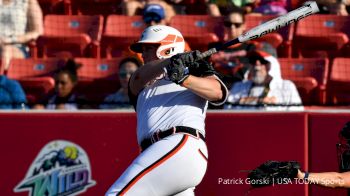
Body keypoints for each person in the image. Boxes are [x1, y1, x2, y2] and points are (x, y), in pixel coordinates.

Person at [105, 25, 228, 195]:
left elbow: (217, 93)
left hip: (180, 144)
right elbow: (139, 77)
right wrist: (171, 62)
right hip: (158, 154)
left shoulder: (194, 71)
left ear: (167, 47)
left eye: (149, 48)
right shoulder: (142, 78)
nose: (143, 54)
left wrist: (184, 78)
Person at [210, 8, 277, 89]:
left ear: (244, 26)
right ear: (224, 25)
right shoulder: (213, 47)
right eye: (228, 24)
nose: (232, 27)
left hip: (240, 91)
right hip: (215, 89)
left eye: (237, 24)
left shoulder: (251, 48)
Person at [224, 50, 302, 111]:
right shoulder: (238, 87)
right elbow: (227, 114)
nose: (256, 65)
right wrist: (258, 100)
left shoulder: (286, 87)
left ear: (272, 65)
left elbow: (297, 116)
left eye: (262, 61)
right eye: (253, 60)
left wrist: (244, 101)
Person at [0, 0, 44, 70]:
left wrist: (9, 40)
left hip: (17, 47)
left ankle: (3, 79)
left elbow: (37, 32)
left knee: (5, 50)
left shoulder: (28, 2)